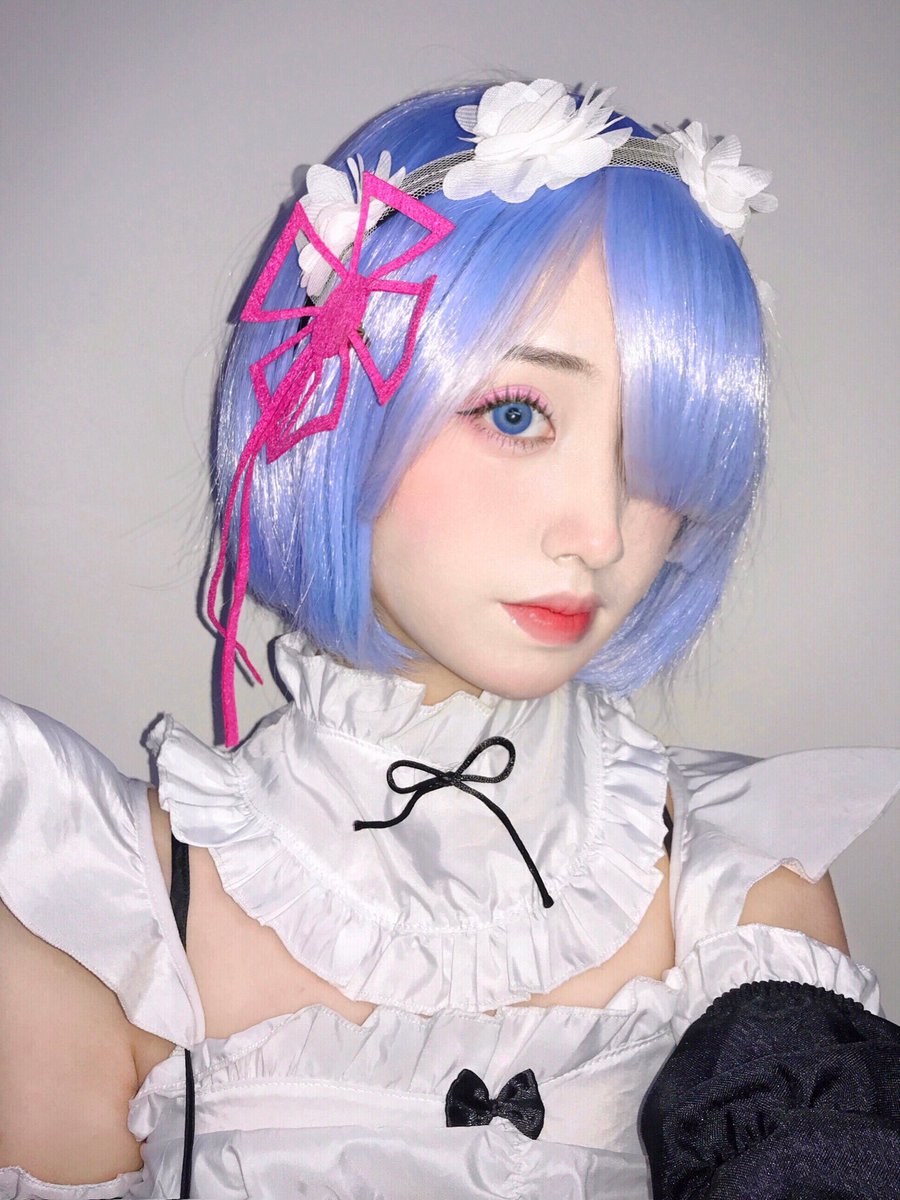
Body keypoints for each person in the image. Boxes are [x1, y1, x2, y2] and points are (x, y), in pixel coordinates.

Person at [1, 78, 898, 1199]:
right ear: (329, 409)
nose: (601, 533)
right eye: (517, 414)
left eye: (656, 449)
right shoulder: (97, 903)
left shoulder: (746, 892)